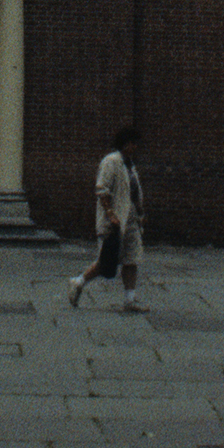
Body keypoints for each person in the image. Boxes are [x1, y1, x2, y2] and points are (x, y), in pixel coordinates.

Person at [67, 126, 145, 311]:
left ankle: (130, 300)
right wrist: (110, 214)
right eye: (134, 143)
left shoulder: (130, 164)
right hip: (115, 220)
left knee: (132, 258)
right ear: (126, 144)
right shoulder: (112, 162)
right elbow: (102, 189)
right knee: (107, 260)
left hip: (131, 218)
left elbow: (134, 192)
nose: (136, 147)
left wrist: (141, 213)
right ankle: (78, 282)